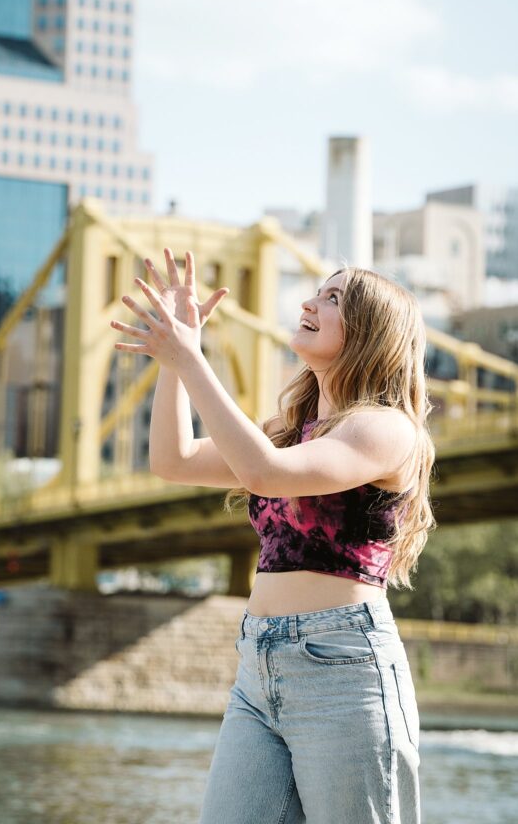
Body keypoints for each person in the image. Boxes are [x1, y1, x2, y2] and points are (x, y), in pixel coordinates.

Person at [110, 248, 436, 824]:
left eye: (334, 299)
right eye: (318, 291)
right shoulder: (290, 433)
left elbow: (263, 473)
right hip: (257, 666)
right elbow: (173, 458)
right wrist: (175, 356)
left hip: (345, 670)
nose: (310, 302)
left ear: (372, 332)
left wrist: (192, 361)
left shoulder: (388, 430)